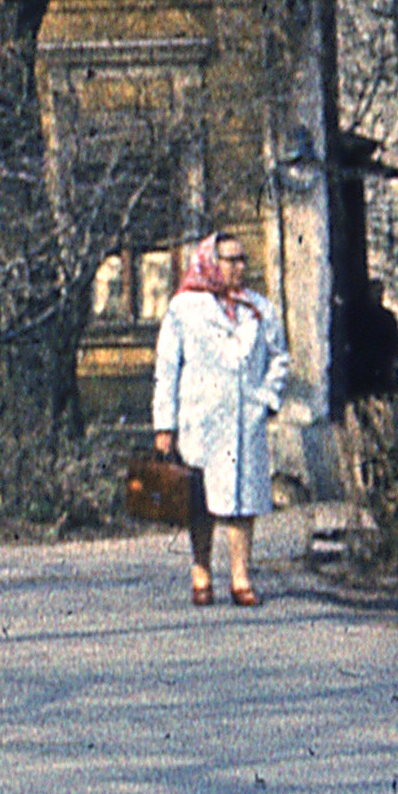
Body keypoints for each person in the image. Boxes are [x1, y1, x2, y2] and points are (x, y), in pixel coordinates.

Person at [150, 229, 289, 607]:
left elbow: (280, 356)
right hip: (201, 418)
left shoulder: (260, 308)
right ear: (212, 261)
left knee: (243, 502)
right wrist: (165, 425)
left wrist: (266, 398)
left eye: (243, 259)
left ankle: (241, 577)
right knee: (201, 500)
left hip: (246, 420)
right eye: (231, 259)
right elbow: (167, 366)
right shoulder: (185, 308)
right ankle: (201, 573)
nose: (240, 267)